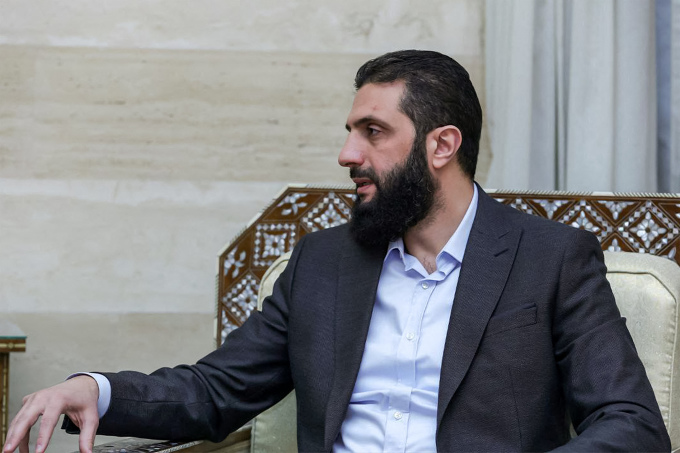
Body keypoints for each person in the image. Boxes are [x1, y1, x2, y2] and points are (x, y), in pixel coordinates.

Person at [3, 50, 670, 453]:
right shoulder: (322, 263)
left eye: (373, 132)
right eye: (351, 131)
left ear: (442, 145)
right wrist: (95, 388)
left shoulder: (550, 258)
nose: (348, 153)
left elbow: (632, 424)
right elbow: (215, 390)